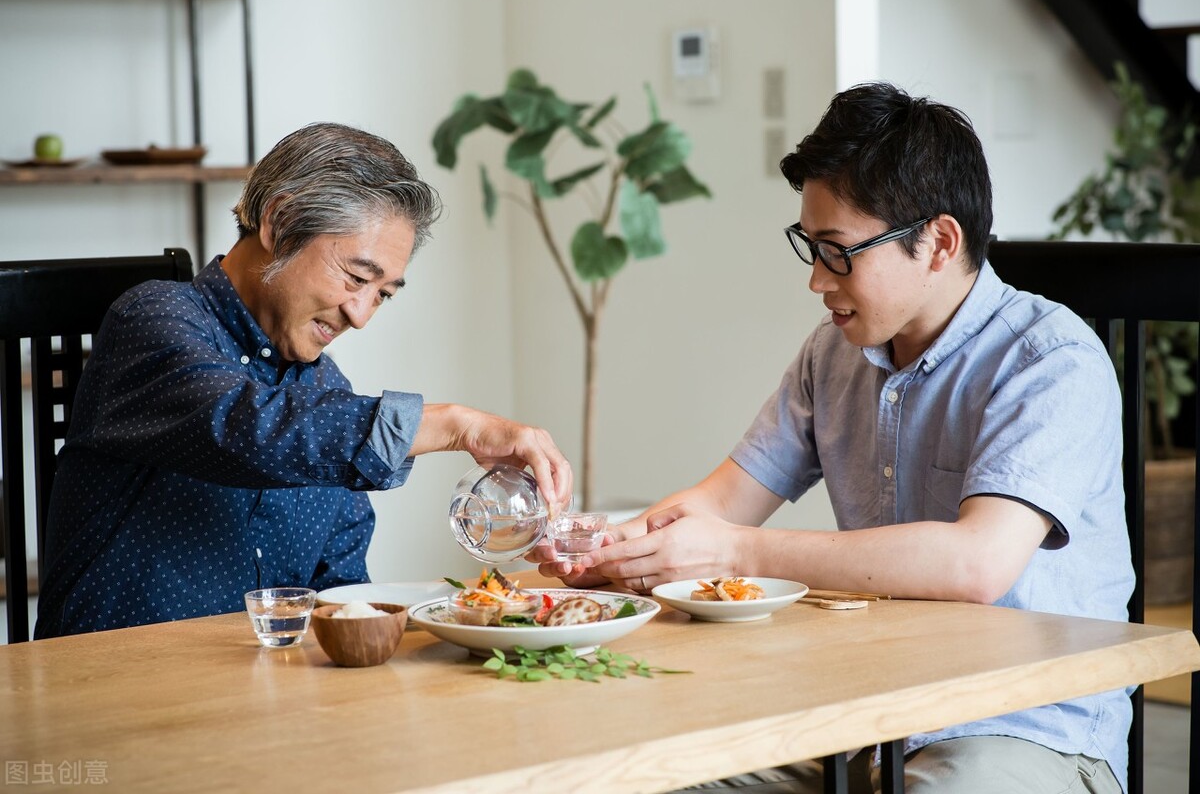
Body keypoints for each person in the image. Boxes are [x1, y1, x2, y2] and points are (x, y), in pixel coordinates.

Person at [537, 83, 1132, 793]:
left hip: (1026, 726)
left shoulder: (1050, 361)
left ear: (938, 242)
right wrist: (617, 550)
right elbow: (722, 503)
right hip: (863, 714)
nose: (818, 280)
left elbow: (977, 565)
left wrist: (734, 551)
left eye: (838, 252)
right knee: (643, 771)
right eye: (809, 248)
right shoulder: (833, 354)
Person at [37, 122, 572, 638]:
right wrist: (453, 426)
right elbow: (248, 429)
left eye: (382, 294)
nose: (361, 314)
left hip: (267, 702)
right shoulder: (152, 320)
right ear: (279, 223)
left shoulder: (326, 394)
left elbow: (342, 592)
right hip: (111, 693)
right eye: (357, 278)